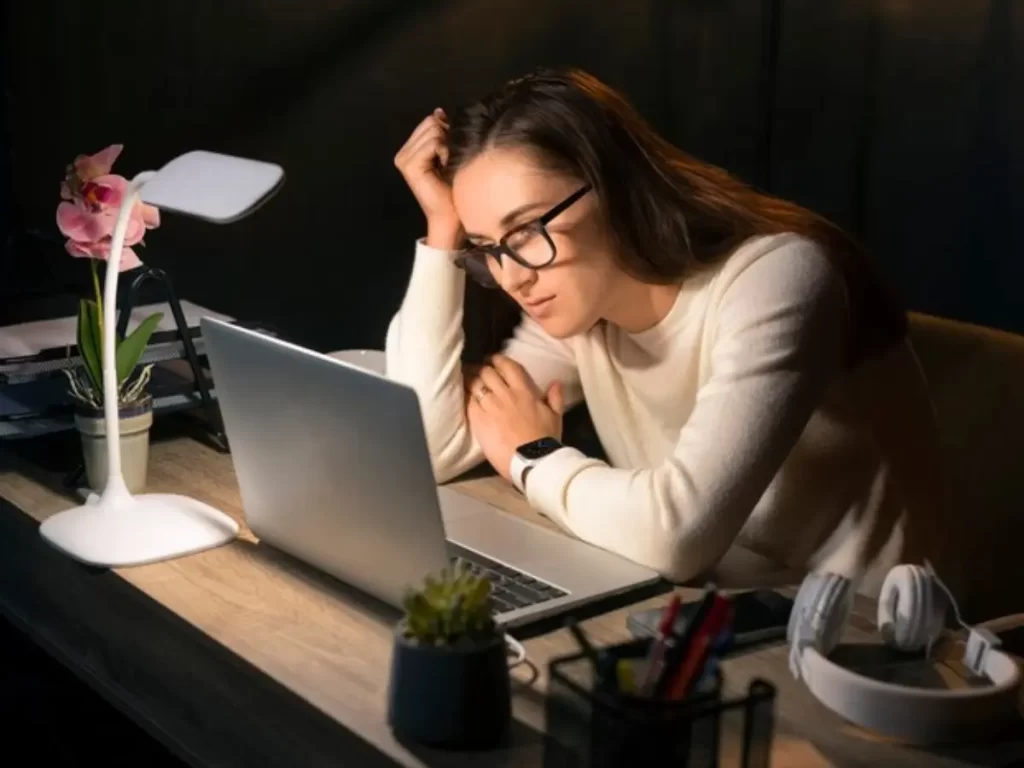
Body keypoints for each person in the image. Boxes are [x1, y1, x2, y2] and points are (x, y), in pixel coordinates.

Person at [385, 68, 952, 596]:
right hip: (701, 611)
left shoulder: (777, 278)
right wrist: (442, 234)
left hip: (861, 643)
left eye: (528, 229)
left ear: (614, 185)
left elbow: (675, 537)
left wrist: (531, 456)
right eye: (488, 249)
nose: (513, 276)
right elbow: (424, 449)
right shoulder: (576, 309)